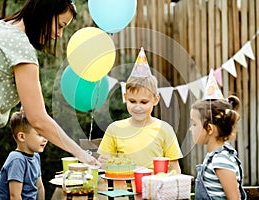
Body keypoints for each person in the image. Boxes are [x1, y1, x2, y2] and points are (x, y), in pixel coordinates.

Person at [0, 0, 100, 198]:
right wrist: (83, 155)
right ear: (46, 11)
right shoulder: (20, 47)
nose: (59, 34)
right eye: (60, 25)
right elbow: (38, 120)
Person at [97, 48, 182, 173]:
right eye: (132, 101)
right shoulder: (114, 129)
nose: (137, 107)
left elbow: (174, 168)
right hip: (123, 189)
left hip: (155, 188)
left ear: (155, 100)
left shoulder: (165, 130)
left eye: (143, 102)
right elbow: (103, 164)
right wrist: (104, 162)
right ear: (125, 97)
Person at [190, 70, 246, 199]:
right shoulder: (214, 157)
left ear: (209, 128)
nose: (190, 129)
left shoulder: (221, 160)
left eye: (194, 124)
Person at [0, 111, 47, 200]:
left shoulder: (35, 156)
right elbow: (15, 196)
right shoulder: (17, 160)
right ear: (22, 137)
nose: (45, 138)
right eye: (40, 134)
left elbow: (39, 187)